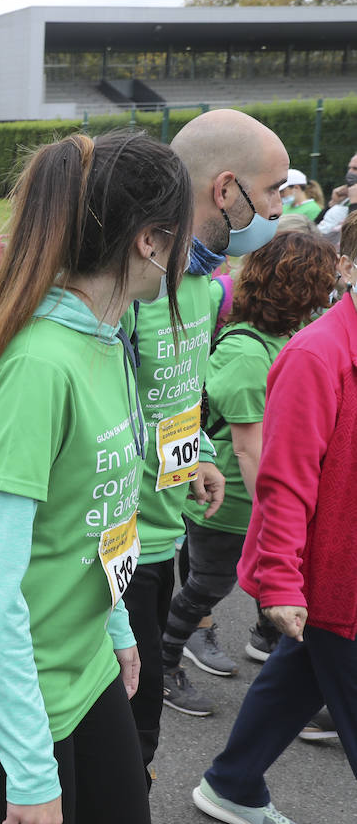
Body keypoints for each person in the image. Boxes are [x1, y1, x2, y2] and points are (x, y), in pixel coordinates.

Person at [0, 130, 193, 824]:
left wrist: (114, 623)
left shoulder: (107, 336)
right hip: (7, 681)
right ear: (150, 240)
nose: (189, 253)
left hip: (81, 655)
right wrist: (32, 774)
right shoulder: (40, 367)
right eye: (183, 235)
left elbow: (100, 512)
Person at [123, 111, 284, 760]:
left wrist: (203, 454)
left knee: (129, 737)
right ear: (225, 190)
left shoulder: (209, 289)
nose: (280, 207)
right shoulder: (132, 284)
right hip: (112, 546)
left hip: (168, 531)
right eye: (273, 191)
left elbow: (178, 391)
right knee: (133, 739)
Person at [189, 228, 357, 824]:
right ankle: (176, 645)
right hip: (324, 570)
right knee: (199, 586)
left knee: (298, 672)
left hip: (327, 575)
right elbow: (279, 474)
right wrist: (279, 577)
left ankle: (231, 783)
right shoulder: (308, 354)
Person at [159, 232, 335, 712]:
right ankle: (162, 664)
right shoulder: (247, 353)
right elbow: (250, 452)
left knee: (271, 591)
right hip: (233, 502)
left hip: (253, 500)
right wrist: (280, 519)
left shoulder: (281, 340)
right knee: (207, 587)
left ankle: (287, 677)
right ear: (300, 289)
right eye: (323, 286)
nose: (329, 296)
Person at [317, 152, 356, 237]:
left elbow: (352, 236)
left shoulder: (353, 200)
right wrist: (333, 203)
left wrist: (354, 204)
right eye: (349, 168)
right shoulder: (346, 199)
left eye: (355, 169)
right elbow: (316, 226)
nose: (350, 172)